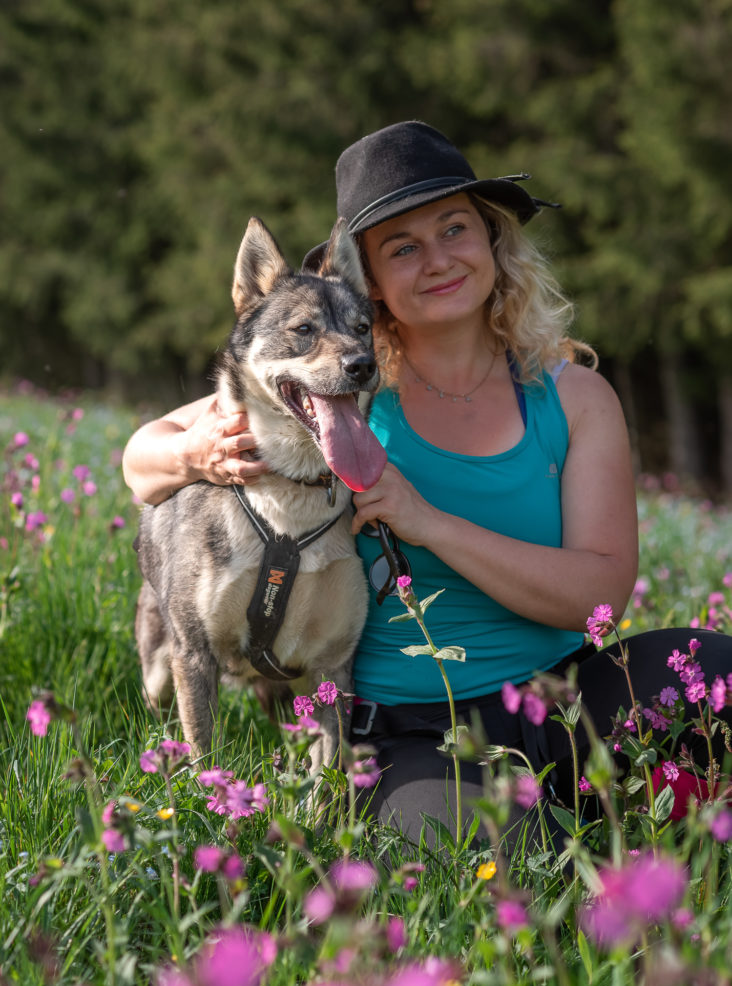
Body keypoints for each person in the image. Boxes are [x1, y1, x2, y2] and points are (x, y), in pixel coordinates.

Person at [124, 121, 641, 845]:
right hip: (413, 731)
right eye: (402, 246)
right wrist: (198, 455)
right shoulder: (339, 393)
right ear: (368, 282)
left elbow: (601, 596)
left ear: (491, 241)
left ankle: (631, 812)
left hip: (564, 690)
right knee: (510, 870)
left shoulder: (573, 396)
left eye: (455, 228)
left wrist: (425, 522)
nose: (437, 259)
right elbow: (141, 459)